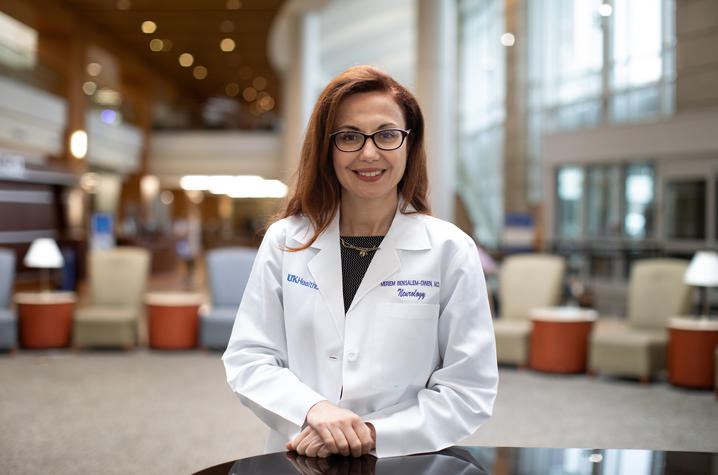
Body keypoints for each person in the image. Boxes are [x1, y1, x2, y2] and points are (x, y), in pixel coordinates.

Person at [222, 65, 498, 459]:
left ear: (409, 143)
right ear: (327, 148)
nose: (369, 153)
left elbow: (468, 389)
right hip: (304, 453)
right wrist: (314, 411)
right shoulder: (287, 240)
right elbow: (250, 357)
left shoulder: (451, 249)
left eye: (387, 135)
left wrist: (366, 433)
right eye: (349, 136)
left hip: (407, 456)